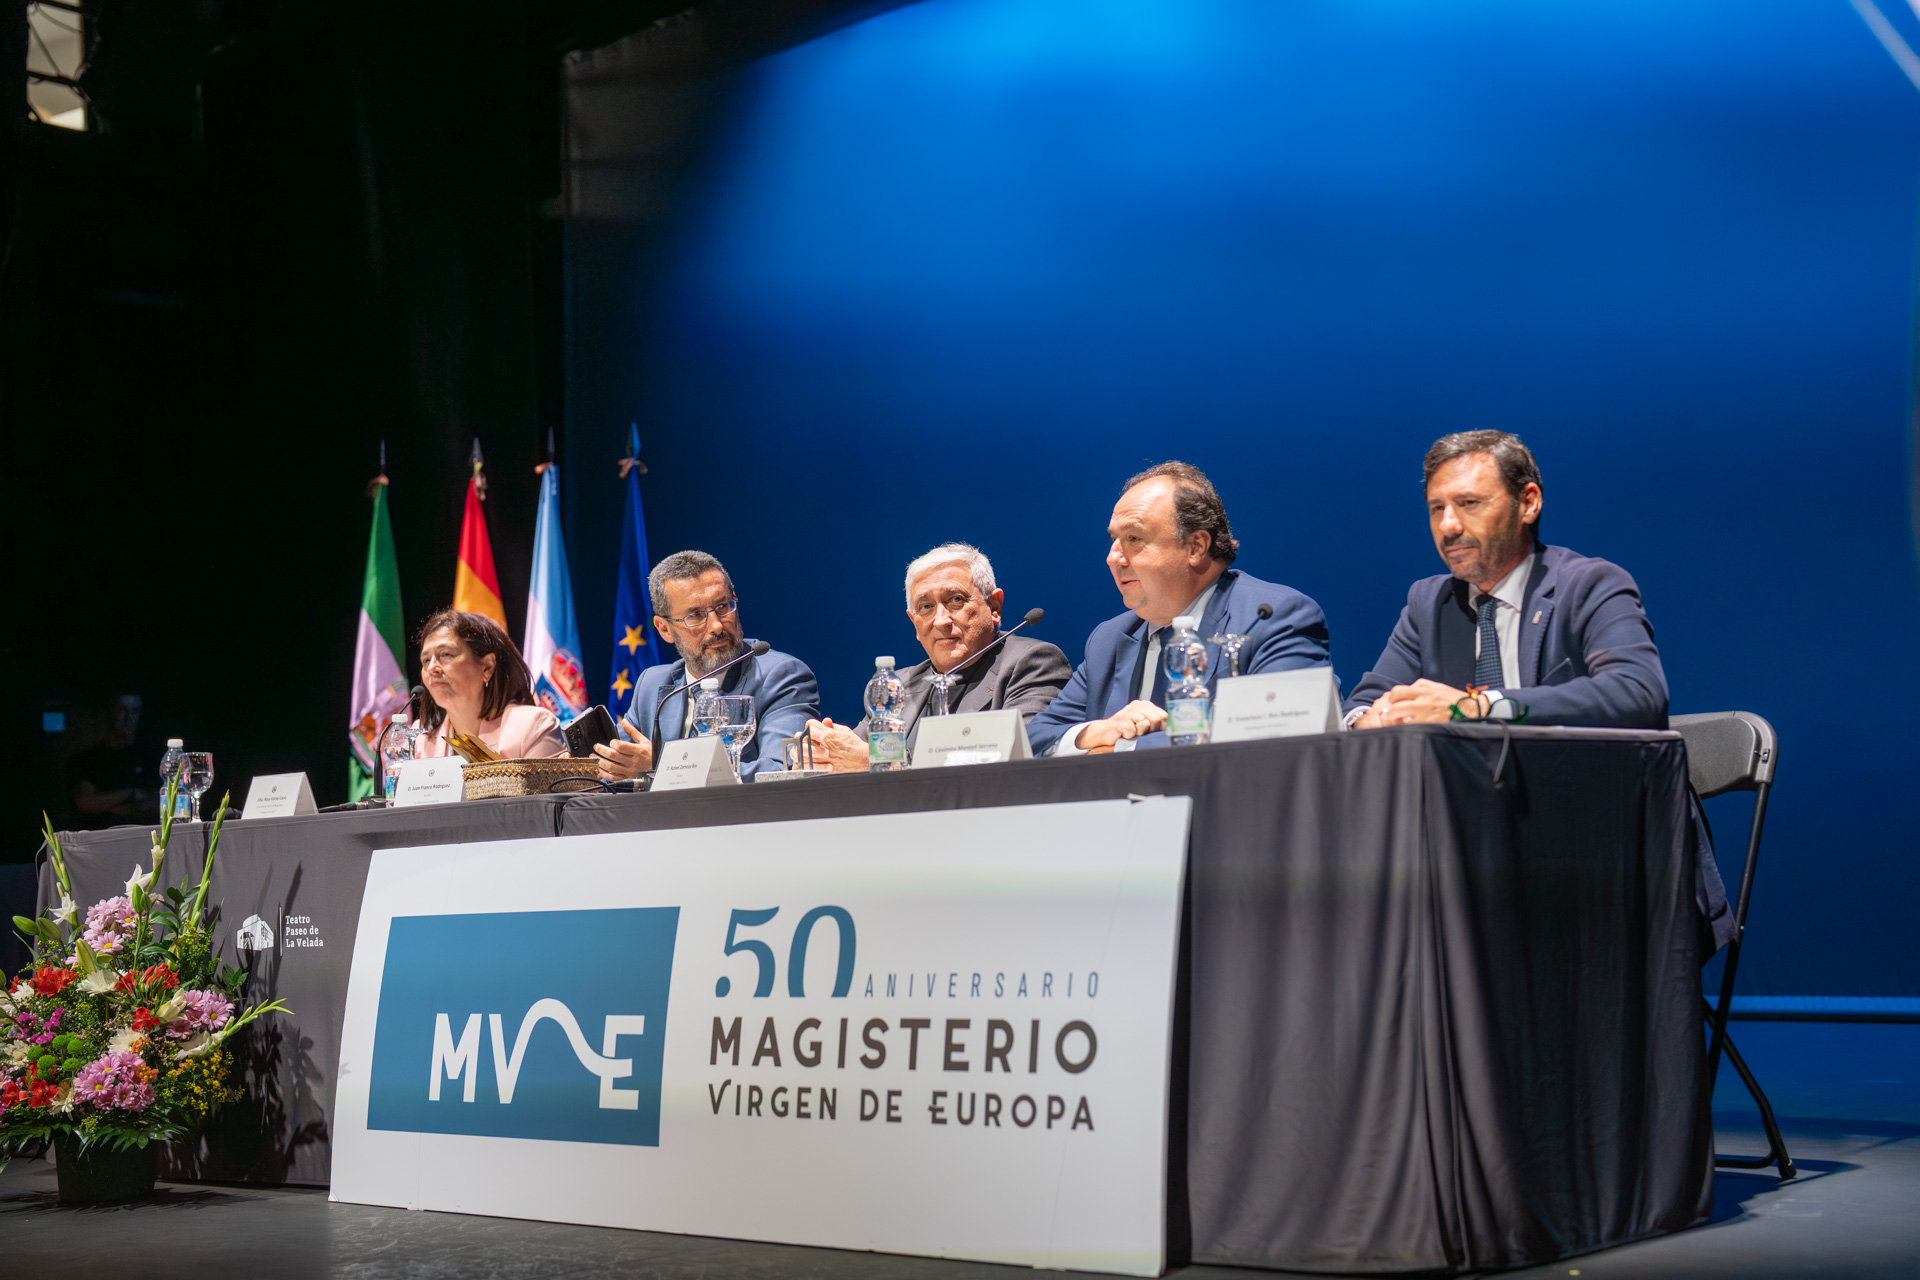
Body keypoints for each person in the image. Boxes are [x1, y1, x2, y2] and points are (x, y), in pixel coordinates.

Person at [1345, 430, 1667, 728]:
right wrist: (1368, 722)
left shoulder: (1590, 585)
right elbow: (1360, 705)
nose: (1448, 526)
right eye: (1437, 508)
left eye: (1468, 503)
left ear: (1528, 503)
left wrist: (1476, 707)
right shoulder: (1428, 604)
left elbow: (1637, 692)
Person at [1026, 462, 1332, 756]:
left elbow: (1276, 732)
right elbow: (1033, 740)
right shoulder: (1109, 639)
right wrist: (1097, 732)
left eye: (1134, 538)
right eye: (1113, 539)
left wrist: (1116, 750)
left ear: (1196, 546)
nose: (1113, 558)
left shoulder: (1272, 617)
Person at [803, 543, 1071, 770]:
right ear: (914, 623)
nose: (941, 620)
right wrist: (823, 751)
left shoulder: (1032, 662)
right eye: (926, 607)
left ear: (994, 606)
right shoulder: (900, 684)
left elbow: (1020, 760)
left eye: (956, 600)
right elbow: (856, 755)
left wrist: (881, 764)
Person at [596, 550, 819, 780]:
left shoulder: (782, 677)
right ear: (664, 629)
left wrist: (663, 768)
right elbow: (613, 763)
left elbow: (781, 772)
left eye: (722, 606)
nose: (716, 626)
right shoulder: (652, 685)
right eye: (695, 615)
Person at [413, 609, 568, 760]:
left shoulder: (532, 726)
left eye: (446, 654)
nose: (431, 668)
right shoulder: (419, 737)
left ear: (487, 666)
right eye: (426, 660)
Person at [67, 694, 154, 828]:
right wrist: (130, 795)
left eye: (134, 711)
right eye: (121, 710)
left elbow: (163, 801)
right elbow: (85, 803)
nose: (128, 717)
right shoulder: (89, 760)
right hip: (102, 832)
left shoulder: (150, 756)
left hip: (146, 832)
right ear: (111, 712)